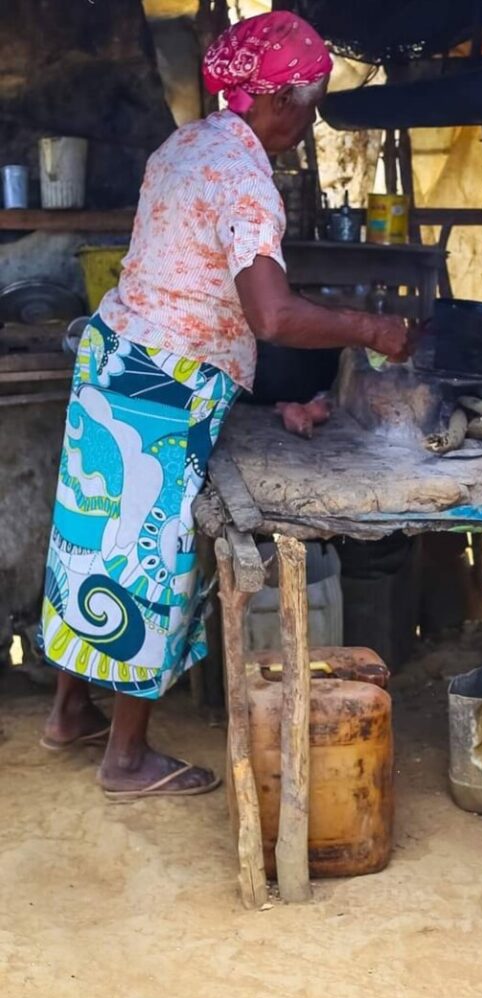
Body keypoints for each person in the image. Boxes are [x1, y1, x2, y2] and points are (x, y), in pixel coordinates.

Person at [38, 12, 410, 798]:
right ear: (282, 102)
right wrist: (371, 326)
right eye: (310, 107)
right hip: (163, 390)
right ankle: (127, 758)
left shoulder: (185, 143)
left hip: (111, 361)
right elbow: (272, 315)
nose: (310, 124)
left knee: (90, 543)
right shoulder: (246, 179)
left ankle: (70, 714)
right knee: (149, 560)